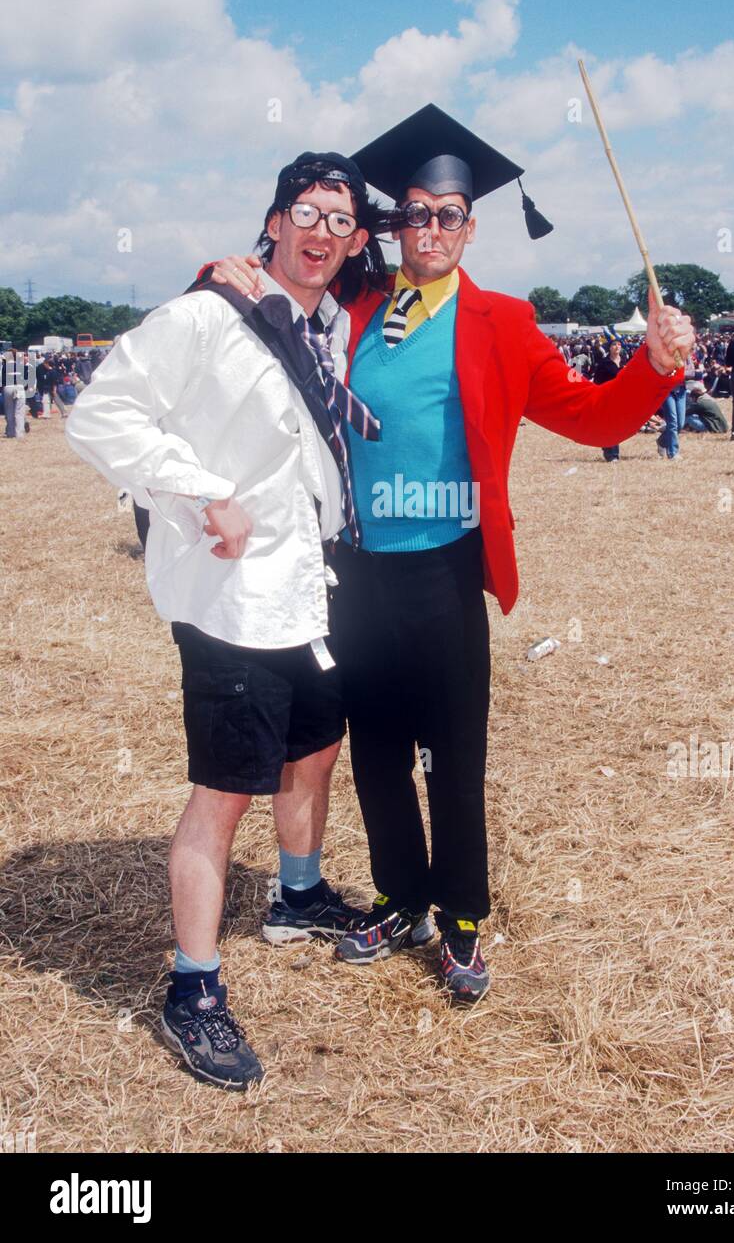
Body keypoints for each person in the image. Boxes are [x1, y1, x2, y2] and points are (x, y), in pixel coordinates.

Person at [202, 103, 695, 1005]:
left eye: (448, 215)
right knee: (378, 751)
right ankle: (400, 897)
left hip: (443, 568)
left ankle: (462, 920)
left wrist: (656, 369)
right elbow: (279, 280)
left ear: (471, 225)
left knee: (452, 753)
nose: (430, 229)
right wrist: (223, 268)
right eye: (416, 213)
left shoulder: (501, 321)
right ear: (396, 224)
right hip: (354, 569)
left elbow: (590, 417)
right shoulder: (354, 304)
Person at [67, 151, 391, 1089]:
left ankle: (296, 897)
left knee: (311, 752)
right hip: (231, 601)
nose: (322, 231)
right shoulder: (209, 313)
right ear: (276, 220)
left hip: (309, 595)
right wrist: (204, 493)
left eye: (340, 220)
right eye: (308, 212)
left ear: (355, 240)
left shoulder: (322, 327)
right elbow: (102, 415)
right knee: (223, 793)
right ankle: (193, 988)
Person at [593, 340, 623, 461]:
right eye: (614, 345)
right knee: (611, 424)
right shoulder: (604, 363)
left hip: (622, 397)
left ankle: (608, 448)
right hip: (607, 397)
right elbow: (597, 381)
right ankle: (612, 454)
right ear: (609, 348)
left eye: (619, 345)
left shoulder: (625, 360)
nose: (617, 347)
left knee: (618, 426)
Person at [2, 348, 28, 439]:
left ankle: (10, 432)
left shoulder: (5, 365)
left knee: (9, 412)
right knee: (19, 412)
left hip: (8, 387)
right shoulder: (21, 364)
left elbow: (2, 379)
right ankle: (19, 434)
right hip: (19, 387)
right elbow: (26, 378)